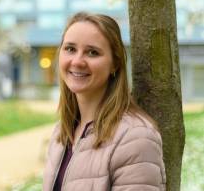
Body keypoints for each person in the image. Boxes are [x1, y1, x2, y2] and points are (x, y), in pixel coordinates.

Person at [43, 12, 166, 191]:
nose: (77, 61)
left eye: (92, 52)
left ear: (115, 64)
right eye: (70, 49)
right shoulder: (61, 133)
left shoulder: (135, 138)